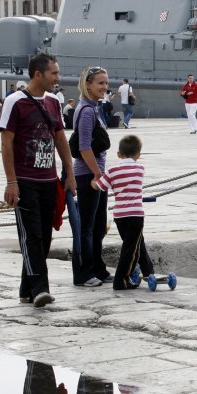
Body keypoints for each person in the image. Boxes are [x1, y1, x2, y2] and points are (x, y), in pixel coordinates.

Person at [0, 53, 76, 308]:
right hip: (25, 179)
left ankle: (26, 288)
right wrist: (11, 182)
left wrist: (69, 171)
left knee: (43, 236)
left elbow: (60, 138)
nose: (58, 77)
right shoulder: (15, 102)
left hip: (47, 179)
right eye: (53, 73)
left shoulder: (54, 102)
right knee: (31, 235)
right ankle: (40, 289)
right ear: (38, 74)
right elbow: (6, 143)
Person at [71, 66, 114, 288]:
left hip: (97, 173)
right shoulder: (87, 111)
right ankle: (84, 272)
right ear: (88, 84)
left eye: (106, 83)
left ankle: (98, 267)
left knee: (98, 225)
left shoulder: (93, 108)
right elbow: (84, 146)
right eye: (100, 83)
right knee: (87, 227)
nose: (104, 87)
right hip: (89, 174)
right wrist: (97, 173)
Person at [92, 135, 149, 290]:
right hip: (136, 215)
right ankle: (121, 280)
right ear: (138, 154)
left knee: (133, 245)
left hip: (120, 216)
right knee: (131, 250)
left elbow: (100, 186)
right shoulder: (140, 169)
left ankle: (148, 270)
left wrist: (93, 182)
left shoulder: (112, 171)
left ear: (118, 154)